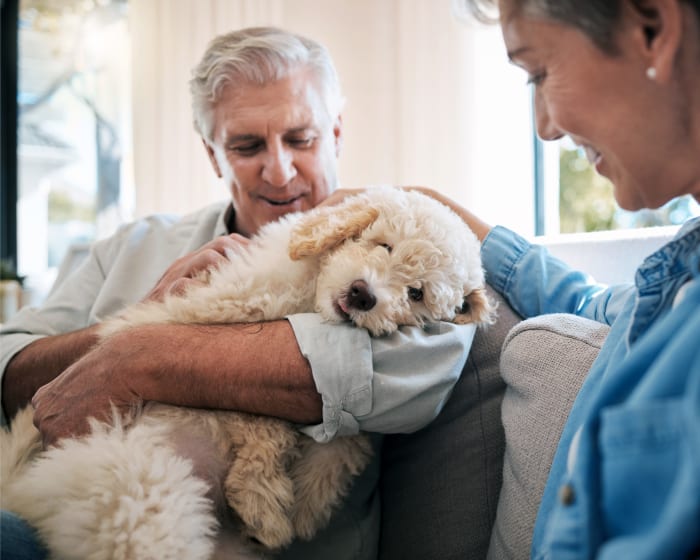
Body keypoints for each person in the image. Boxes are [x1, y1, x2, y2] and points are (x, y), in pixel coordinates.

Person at [0, 27, 476, 559]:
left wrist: (138, 353)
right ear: (212, 154)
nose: (279, 170)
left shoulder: (405, 258)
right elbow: (7, 366)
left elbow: (380, 372)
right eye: (247, 146)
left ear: (336, 132)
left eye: (302, 138)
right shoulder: (133, 246)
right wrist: (141, 314)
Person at [441, 1, 699, 558]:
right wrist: (465, 230)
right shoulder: (675, 287)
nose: (545, 127)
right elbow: (594, 301)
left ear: (652, 28)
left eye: (539, 72)